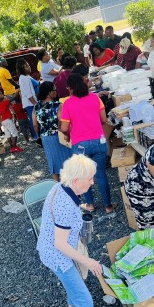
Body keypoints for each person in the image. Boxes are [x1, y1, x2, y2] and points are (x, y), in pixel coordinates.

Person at [36, 154, 131, 307]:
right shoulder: (64, 204)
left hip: (55, 249)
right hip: (58, 255)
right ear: (77, 180)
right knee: (85, 298)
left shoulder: (62, 187)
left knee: (75, 285)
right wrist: (86, 260)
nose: (92, 181)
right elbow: (59, 244)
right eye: (89, 178)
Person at [60, 74, 114, 215]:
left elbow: (64, 128)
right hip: (98, 141)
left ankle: (90, 204)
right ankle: (108, 206)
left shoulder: (68, 103)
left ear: (70, 88)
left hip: (80, 144)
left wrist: (68, 134)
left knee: (84, 176)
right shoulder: (95, 98)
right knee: (101, 174)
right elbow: (103, 119)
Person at [32, 82, 72, 181]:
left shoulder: (36, 106)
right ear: (49, 93)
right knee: (65, 162)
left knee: (53, 163)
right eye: (54, 90)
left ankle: (57, 187)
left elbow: (35, 125)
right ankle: (69, 189)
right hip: (59, 136)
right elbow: (62, 123)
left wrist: (39, 136)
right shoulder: (58, 105)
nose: (56, 92)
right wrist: (68, 135)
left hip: (46, 138)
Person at [16, 58, 39, 141]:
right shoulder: (22, 78)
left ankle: (37, 135)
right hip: (30, 103)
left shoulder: (26, 76)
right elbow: (28, 93)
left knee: (35, 119)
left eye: (28, 65)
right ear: (22, 67)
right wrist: (36, 103)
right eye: (27, 66)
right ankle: (36, 137)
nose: (29, 67)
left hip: (32, 101)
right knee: (33, 120)